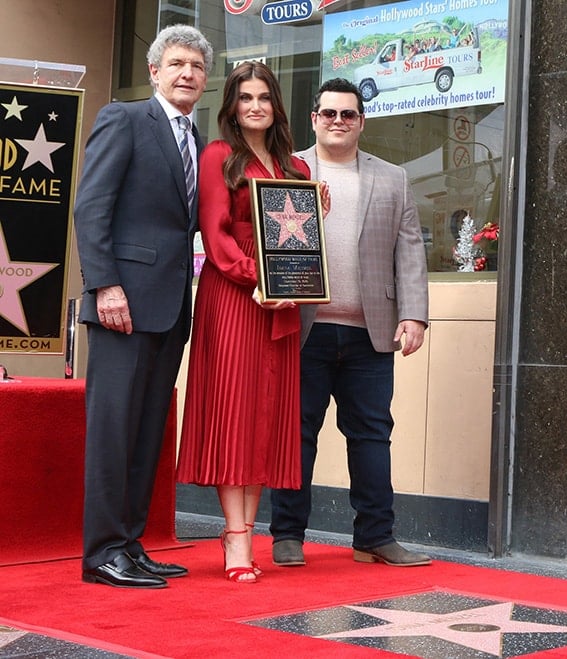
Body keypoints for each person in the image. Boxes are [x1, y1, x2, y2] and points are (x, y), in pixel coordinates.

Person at [176, 61, 330, 584]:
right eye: (245, 98)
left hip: (282, 302)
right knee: (235, 409)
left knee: (265, 413)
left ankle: (243, 531)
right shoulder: (219, 156)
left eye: (264, 97)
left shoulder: (297, 171)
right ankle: (236, 535)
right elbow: (215, 236)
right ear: (232, 107)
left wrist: (315, 226)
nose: (256, 106)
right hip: (235, 296)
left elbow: (299, 244)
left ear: (277, 105)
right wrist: (254, 278)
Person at [269, 78, 431, 568]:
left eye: (349, 114)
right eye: (329, 113)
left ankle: (375, 537)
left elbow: (410, 250)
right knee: (296, 434)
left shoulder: (393, 177)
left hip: (371, 331)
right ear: (314, 119)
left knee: (371, 436)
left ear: (362, 121)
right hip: (303, 329)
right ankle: (288, 536)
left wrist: (414, 314)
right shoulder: (287, 171)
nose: (339, 121)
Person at [73, 24, 213, 589]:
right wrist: (104, 286)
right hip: (121, 307)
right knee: (113, 430)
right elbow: (91, 207)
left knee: (147, 431)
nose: (187, 74)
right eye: (177, 63)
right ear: (154, 71)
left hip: (171, 310)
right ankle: (102, 551)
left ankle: (129, 545)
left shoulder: (199, 142)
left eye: (197, 67)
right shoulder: (124, 119)